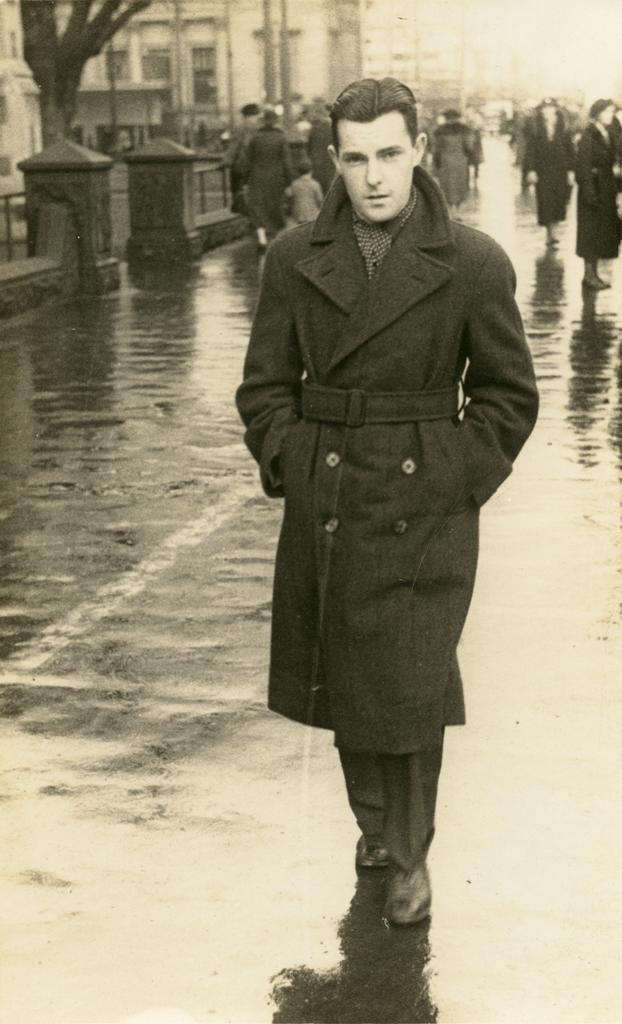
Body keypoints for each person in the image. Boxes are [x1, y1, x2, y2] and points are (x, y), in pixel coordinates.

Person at [236, 77, 539, 926]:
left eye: (391, 155)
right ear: (335, 159)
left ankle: (409, 852)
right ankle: (375, 827)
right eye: (357, 157)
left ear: (418, 152)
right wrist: (295, 460)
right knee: (346, 680)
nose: (374, 177)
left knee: (406, 685)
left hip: (424, 500)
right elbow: (263, 391)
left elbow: (509, 397)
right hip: (330, 488)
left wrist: (449, 475)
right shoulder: (293, 258)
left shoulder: (473, 262)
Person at [575, 98, 622, 289]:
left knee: (599, 233)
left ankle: (593, 274)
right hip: (594, 192)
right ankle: (588, 275)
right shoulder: (589, 135)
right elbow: (583, 166)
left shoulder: (607, 132)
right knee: (590, 235)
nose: (611, 115)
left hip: (604, 190)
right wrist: (590, 195)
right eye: (608, 112)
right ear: (598, 113)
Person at [525, 99, 576, 247]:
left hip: (561, 171)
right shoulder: (535, 128)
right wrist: (531, 170)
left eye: (550, 108)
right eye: (544, 109)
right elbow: (530, 151)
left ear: (555, 110)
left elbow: (571, 150)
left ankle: (554, 230)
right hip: (543, 171)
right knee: (546, 201)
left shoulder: (564, 127)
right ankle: (550, 233)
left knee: (559, 200)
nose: (546, 112)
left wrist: (571, 171)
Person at [246, 108, 294, 251]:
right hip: (276, 178)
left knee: (258, 207)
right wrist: (289, 182)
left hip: (257, 177)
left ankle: (262, 238)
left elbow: (247, 160)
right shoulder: (281, 138)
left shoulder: (255, 137)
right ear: (275, 121)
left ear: (264, 120)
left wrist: (245, 179)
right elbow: (286, 162)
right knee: (275, 206)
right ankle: (274, 240)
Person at [222, 103, 261, 216]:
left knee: (238, 191)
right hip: (254, 166)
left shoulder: (240, 128)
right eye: (255, 115)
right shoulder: (259, 129)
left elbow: (234, 147)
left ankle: (242, 212)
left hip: (241, 166)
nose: (256, 118)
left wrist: (225, 162)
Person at [432, 108, 473, 216]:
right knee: (460, 184)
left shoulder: (440, 131)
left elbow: (436, 149)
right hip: (460, 161)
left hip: (446, 161)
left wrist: (436, 162)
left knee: (447, 185)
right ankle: (458, 211)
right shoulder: (464, 130)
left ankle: (451, 210)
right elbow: (469, 146)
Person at [285, 158, 324, 224]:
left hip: (298, 216)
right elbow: (320, 201)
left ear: (299, 172)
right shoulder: (315, 184)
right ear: (311, 171)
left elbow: (288, 196)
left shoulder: (294, 184)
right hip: (313, 215)